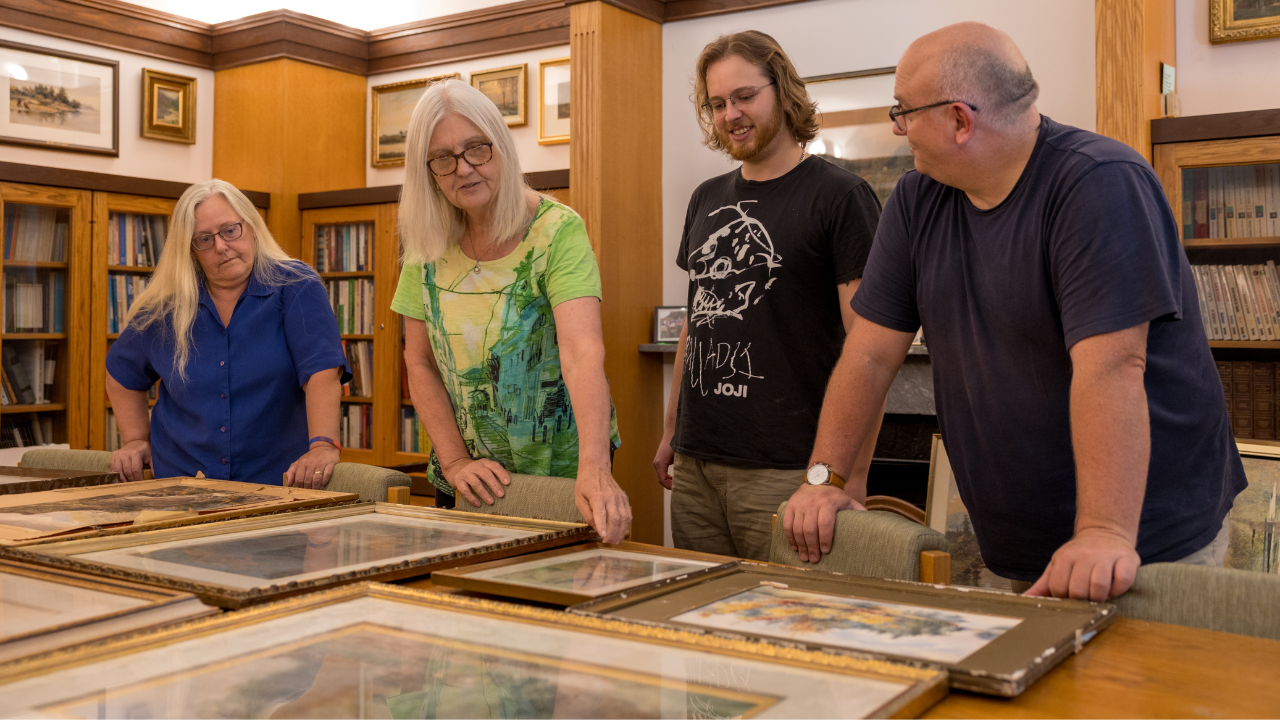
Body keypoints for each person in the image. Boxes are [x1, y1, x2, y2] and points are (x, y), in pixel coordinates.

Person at [784, 22, 1246, 601]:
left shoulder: (1099, 183)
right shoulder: (915, 199)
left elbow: (1112, 367)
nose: (897, 127)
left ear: (959, 120)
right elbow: (870, 354)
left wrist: (1102, 532)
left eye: (902, 111)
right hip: (1023, 535)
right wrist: (825, 479)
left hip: (1142, 537)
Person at [652, 31, 884, 561]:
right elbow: (695, 323)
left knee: (783, 609)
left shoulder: (841, 196)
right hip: (697, 467)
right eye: (717, 104)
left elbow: (870, 352)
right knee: (699, 605)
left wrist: (848, 477)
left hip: (790, 472)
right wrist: (671, 433)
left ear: (782, 91)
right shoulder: (705, 198)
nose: (730, 114)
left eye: (744, 96)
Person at [391, 79, 631, 543]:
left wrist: (595, 467)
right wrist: (455, 460)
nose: (464, 168)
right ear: (428, 171)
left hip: (563, 473)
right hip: (468, 477)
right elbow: (418, 361)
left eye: (476, 149)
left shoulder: (557, 231)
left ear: (500, 145)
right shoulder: (426, 244)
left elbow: (582, 353)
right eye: (443, 158)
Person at [107, 179, 350, 488]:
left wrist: (323, 446)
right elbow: (122, 373)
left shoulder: (296, 286)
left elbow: (321, 372)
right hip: (181, 487)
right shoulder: (167, 304)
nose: (221, 246)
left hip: (277, 485)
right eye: (204, 239)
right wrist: (135, 439)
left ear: (252, 227)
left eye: (230, 230)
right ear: (191, 250)